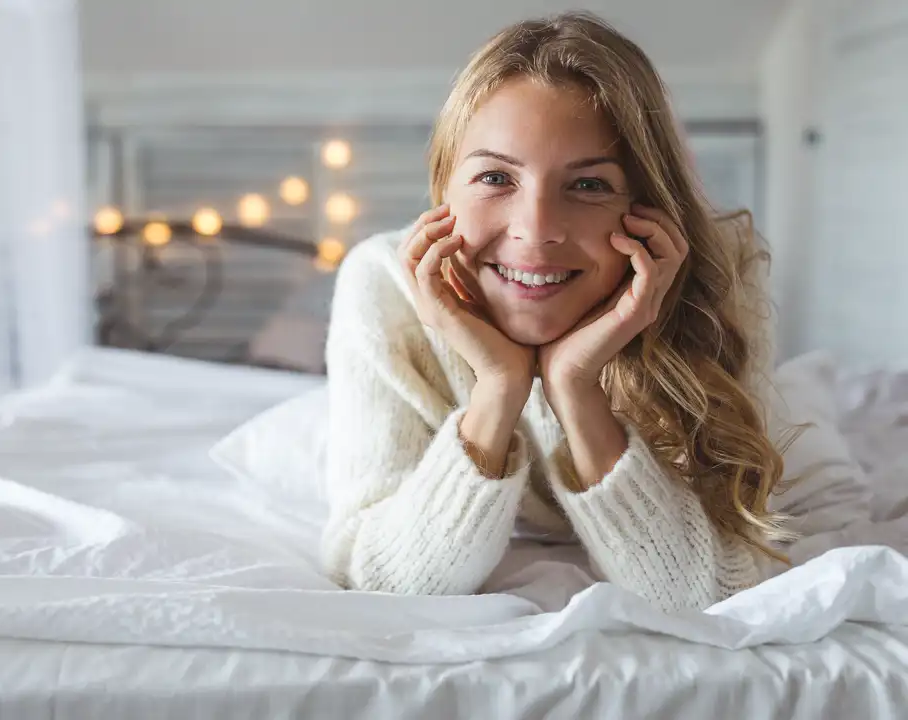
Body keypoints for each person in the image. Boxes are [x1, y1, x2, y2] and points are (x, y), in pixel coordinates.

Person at [320, 12, 867, 612]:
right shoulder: (382, 285)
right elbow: (384, 581)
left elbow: (714, 590)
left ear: (650, 207)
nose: (536, 232)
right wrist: (499, 387)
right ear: (444, 188)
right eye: (496, 177)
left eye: (588, 186)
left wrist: (576, 389)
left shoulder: (715, 279)